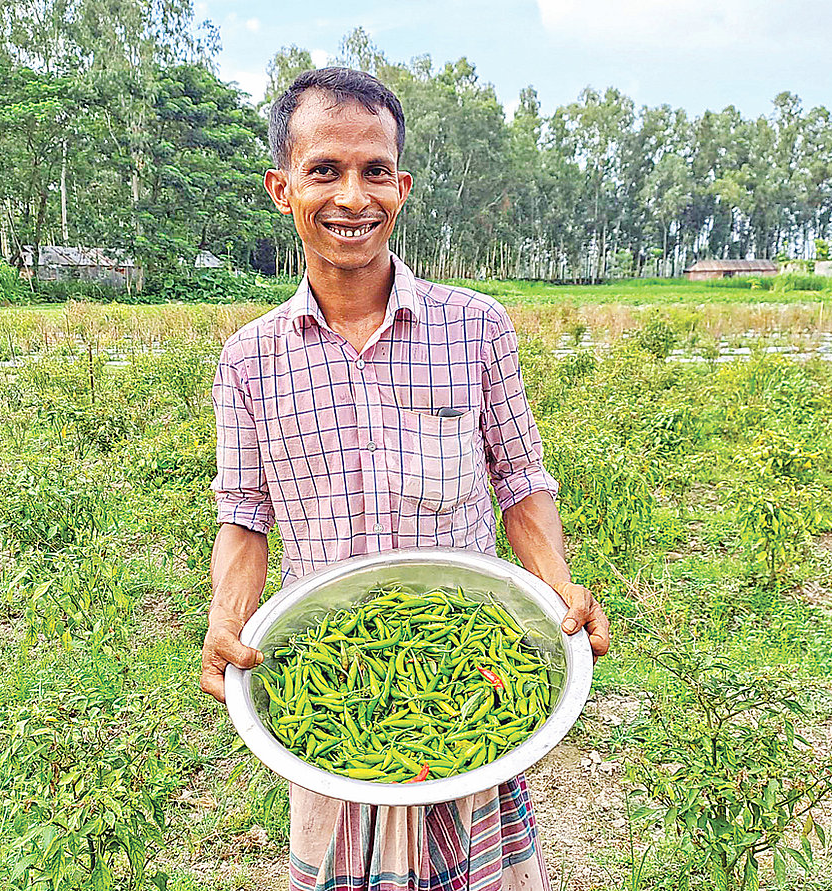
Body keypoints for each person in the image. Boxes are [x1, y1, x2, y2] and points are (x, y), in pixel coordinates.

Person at [200, 67, 610, 891]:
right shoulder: (251, 357)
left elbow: (521, 480)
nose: (352, 196)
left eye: (374, 170)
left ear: (402, 186)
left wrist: (561, 587)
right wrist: (225, 619)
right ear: (283, 188)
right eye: (325, 170)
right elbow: (245, 517)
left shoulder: (476, 326)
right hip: (336, 669)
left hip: (465, 657)